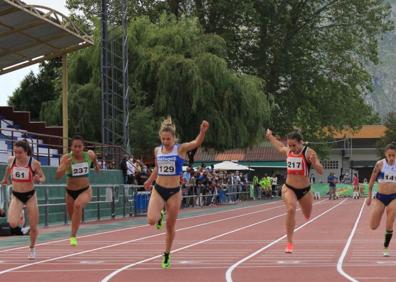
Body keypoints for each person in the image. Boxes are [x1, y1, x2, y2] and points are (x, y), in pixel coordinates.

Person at [144, 117, 209, 268]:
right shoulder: (157, 150)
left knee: (170, 226)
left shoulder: (180, 149)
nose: (166, 142)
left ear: (174, 138)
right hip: (159, 189)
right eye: (163, 139)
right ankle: (160, 213)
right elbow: (157, 168)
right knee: (151, 220)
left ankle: (166, 254)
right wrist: (149, 180)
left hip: (174, 192)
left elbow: (196, 143)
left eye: (168, 139)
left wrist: (202, 131)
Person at [266, 129, 323, 253]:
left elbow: (321, 170)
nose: (291, 148)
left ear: (300, 142)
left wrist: (314, 163)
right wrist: (270, 136)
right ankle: (289, 242)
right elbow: (280, 146)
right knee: (291, 209)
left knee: (307, 214)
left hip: (305, 190)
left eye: (294, 145)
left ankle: (305, 211)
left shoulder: (309, 153)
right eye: (289, 145)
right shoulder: (288, 151)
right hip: (289, 187)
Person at [1, 140, 45, 259]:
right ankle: (22, 216)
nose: (17, 155)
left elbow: (43, 177)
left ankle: (32, 248)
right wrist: (5, 179)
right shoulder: (12, 160)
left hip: (30, 196)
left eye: (20, 152)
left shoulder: (34, 163)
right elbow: (8, 169)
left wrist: (38, 179)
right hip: (16, 195)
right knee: (12, 223)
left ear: (26, 152)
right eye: (15, 152)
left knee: (34, 226)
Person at [56, 135, 100, 246]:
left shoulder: (88, 155)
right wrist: (64, 166)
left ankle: (73, 236)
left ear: (83, 147)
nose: (77, 149)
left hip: (85, 190)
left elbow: (96, 166)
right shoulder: (66, 158)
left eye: (79, 146)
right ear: (71, 147)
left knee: (78, 205)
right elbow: (57, 176)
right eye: (75, 146)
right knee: (73, 217)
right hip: (70, 192)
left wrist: (95, 163)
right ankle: (74, 231)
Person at [367, 142, 396, 256]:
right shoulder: (380, 164)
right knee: (373, 226)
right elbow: (371, 181)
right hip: (380, 197)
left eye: (394, 155)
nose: (391, 158)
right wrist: (369, 196)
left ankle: (385, 247)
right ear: (385, 154)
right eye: (389, 155)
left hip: (394, 197)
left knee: (389, 223)